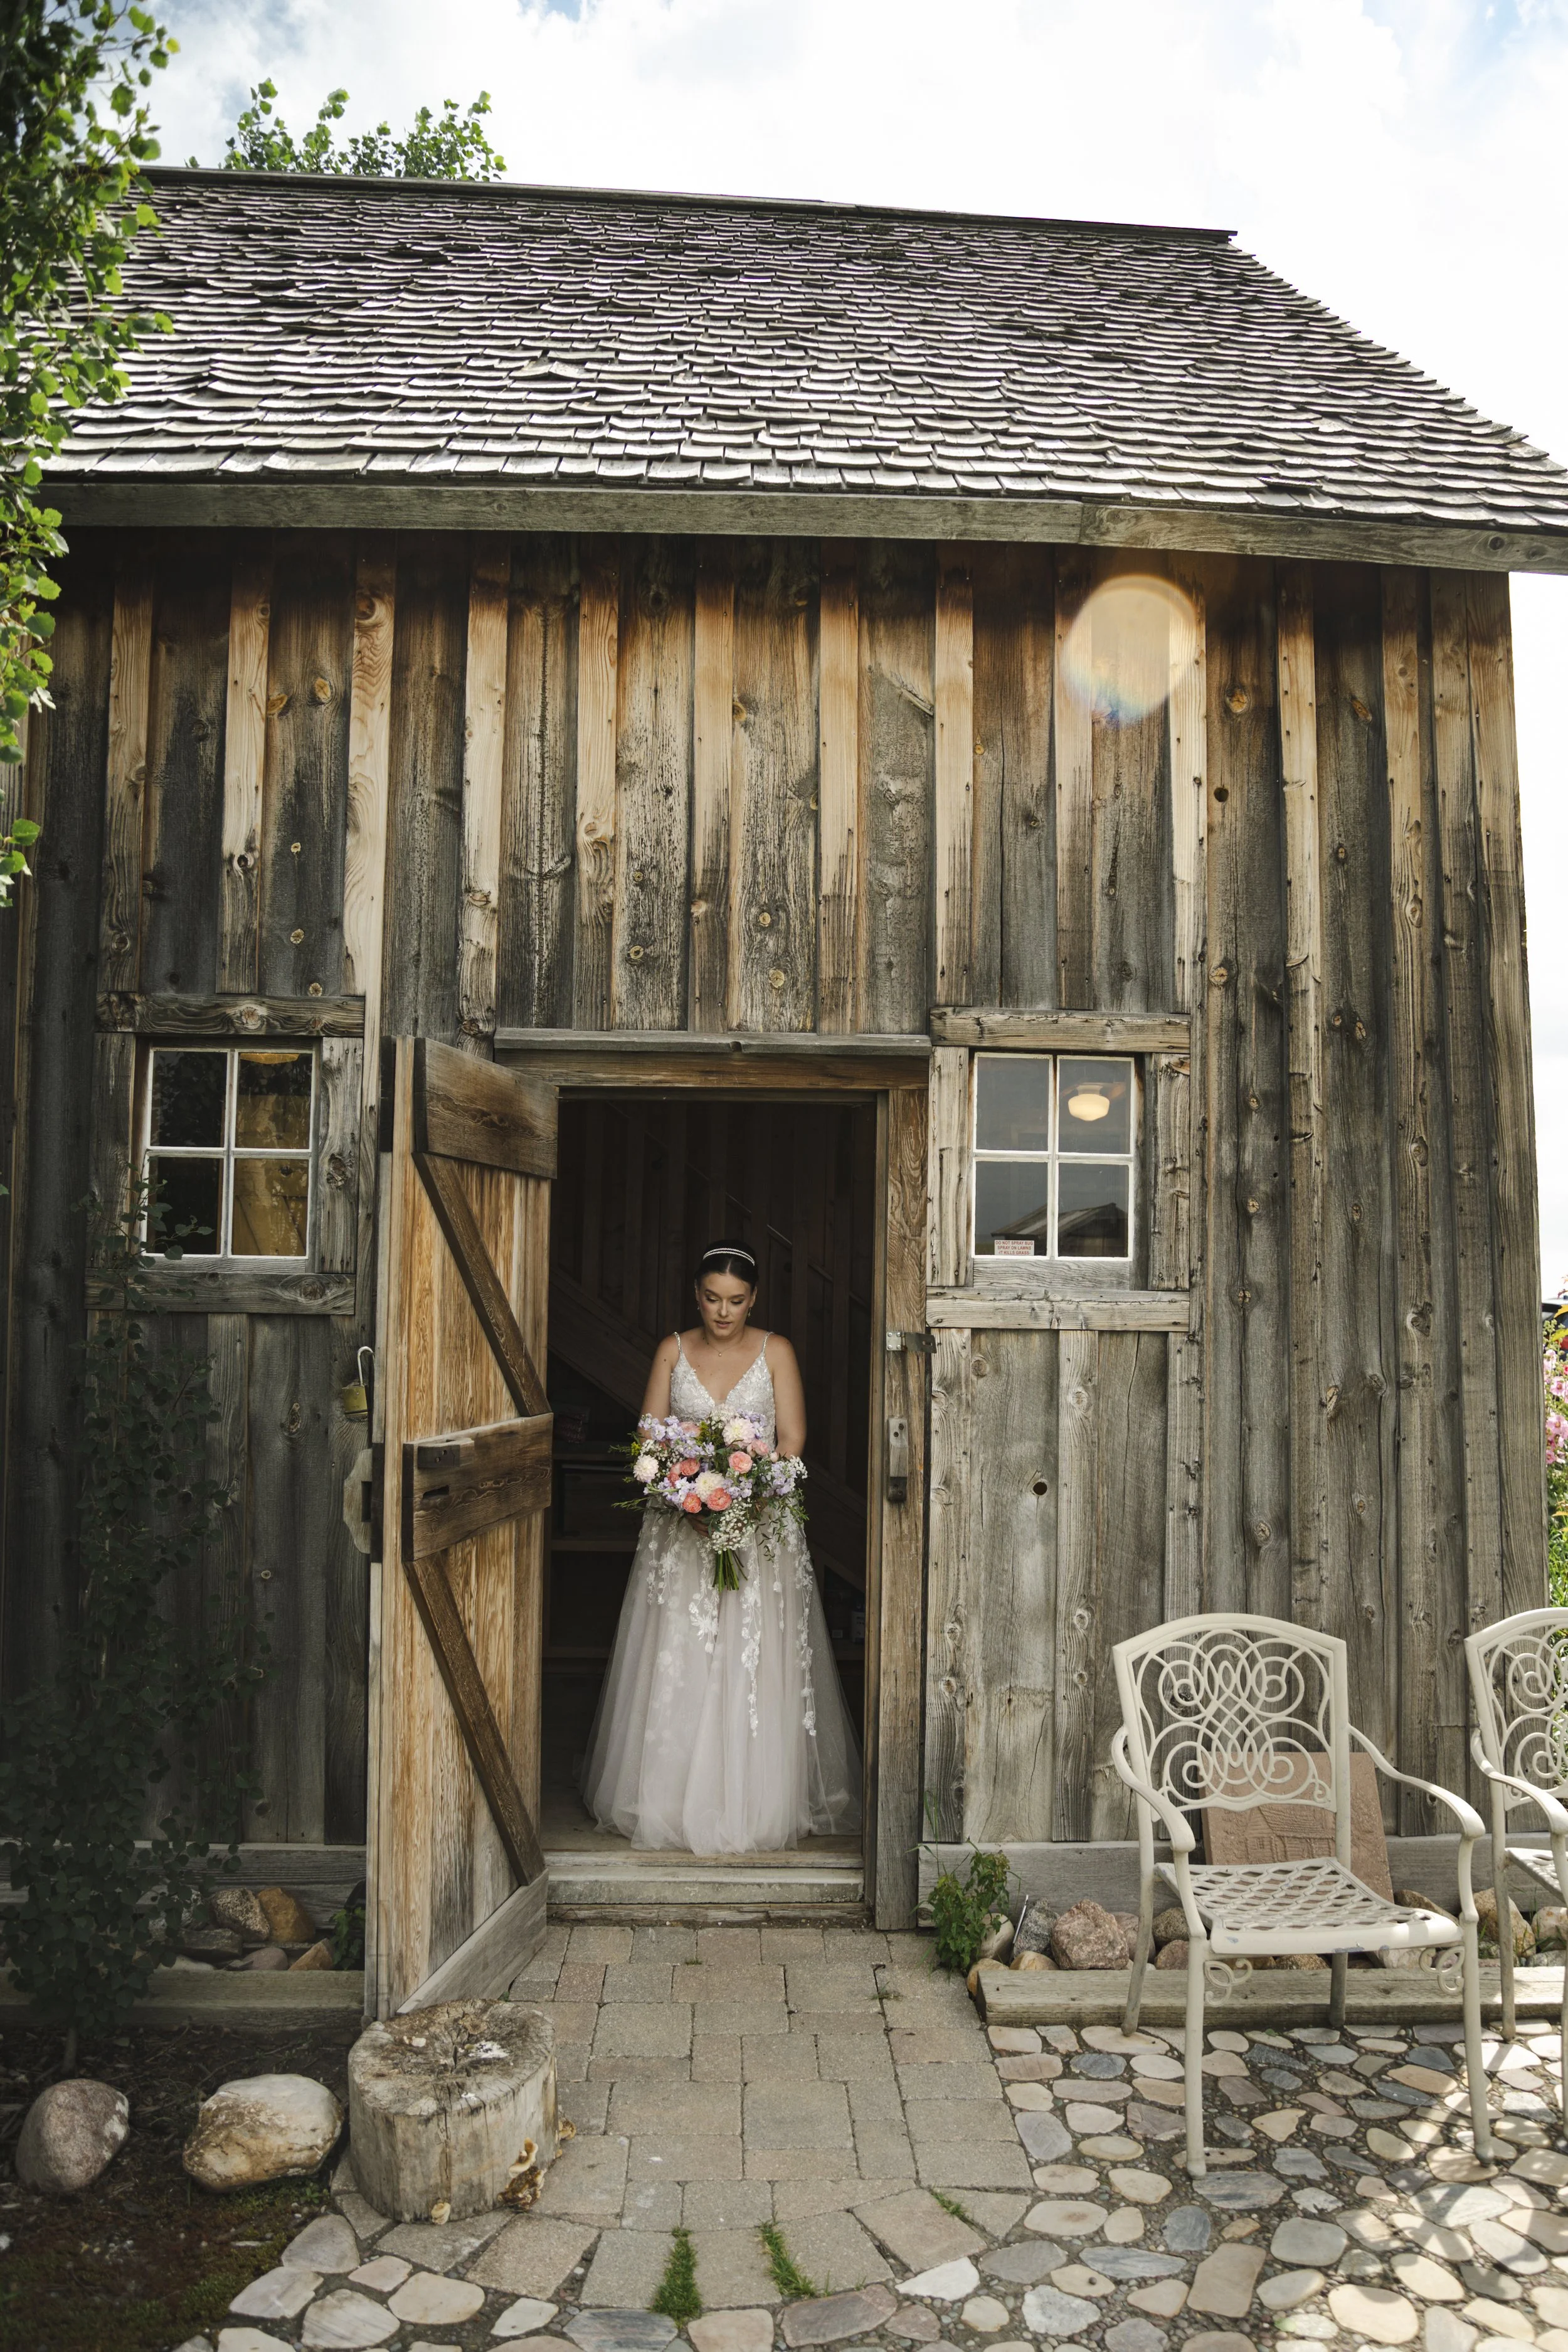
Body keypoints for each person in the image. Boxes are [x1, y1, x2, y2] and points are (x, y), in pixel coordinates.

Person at [581, 1241, 862, 1851]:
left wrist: (745, 1504)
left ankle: (756, 1800)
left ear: (754, 1299)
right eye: (711, 1299)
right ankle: (671, 1799)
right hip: (682, 1530)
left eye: (735, 1301)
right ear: (696, 1295)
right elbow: (650, 1440)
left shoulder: (775, 1351)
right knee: (682, 1654)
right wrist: (688, 1497)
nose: (723, 1312)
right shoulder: (671, 1351)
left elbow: (791, 1441)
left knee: (751, 1659)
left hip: (760, 1531)